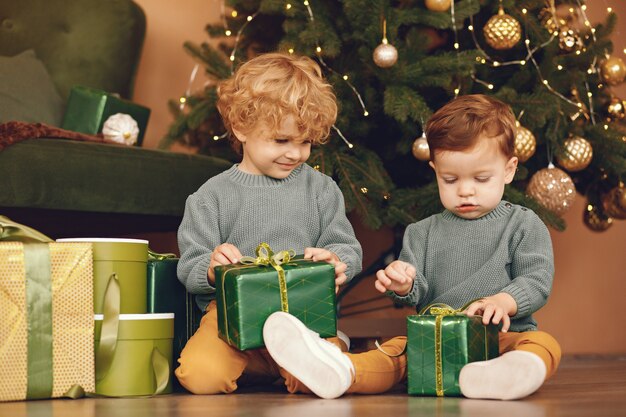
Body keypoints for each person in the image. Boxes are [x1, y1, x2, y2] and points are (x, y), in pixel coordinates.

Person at [263, 94, 561, 400]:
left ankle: (507, 374)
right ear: (435, 170)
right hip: (432, 342)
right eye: (451, 179)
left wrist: (503, 300)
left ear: (509, 170)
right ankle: (342, 371)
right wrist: (403, 283)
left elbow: (536, 281)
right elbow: (416, 290)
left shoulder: (523, 225)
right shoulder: (422, 232)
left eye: (482, 178)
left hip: (499, 338)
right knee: (393, 352)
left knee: (542, 344)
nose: (466, 190)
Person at [175, 52, 363, 394]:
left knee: (318, 382)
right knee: (200, 378)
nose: (295, 153)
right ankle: (267, 363)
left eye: (304, 142)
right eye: (281, 140)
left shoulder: (321, 190)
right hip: (230, 316)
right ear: (241, 128)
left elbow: (345, 246)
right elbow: (189, 265)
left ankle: (302, 358)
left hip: (303, 313)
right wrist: (211, 267)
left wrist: (338, 261)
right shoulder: (210, 196)